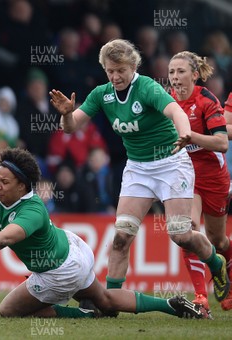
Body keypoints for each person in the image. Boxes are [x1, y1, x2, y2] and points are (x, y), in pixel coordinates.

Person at [0, 128, 208, 319]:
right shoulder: (2, 181)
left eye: (5, 182)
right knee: (107, 302)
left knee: (8, 310)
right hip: (73, 250)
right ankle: (170, 305)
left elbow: (4, 238)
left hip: (60, 272)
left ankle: (83, 315)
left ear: (23, 185)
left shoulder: (31, 210)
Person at [49, 39, 230, 309]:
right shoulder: (102, 94)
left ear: (133, 66)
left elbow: (174, 111)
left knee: (180, 234)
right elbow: (72, 127)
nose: (115, 76)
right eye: (110, 70)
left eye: (120, 70)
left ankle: (216, 262)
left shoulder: (147, 87)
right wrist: (66, 115)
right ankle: (108, 302)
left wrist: (185, 132)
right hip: (138, 168)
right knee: (121, 236)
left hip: (171, 164)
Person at [168, 51, 232, 311]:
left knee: (218, 240)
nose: (175, 77)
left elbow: (221, 142)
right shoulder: (166, 101)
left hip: (213, 176)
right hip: (184, 173)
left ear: (195, 75)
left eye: (181, 71)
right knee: (187, 229)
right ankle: (200, 297)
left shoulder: (206, 99)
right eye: (171, 72)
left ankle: (224, 275)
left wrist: (191, 136)